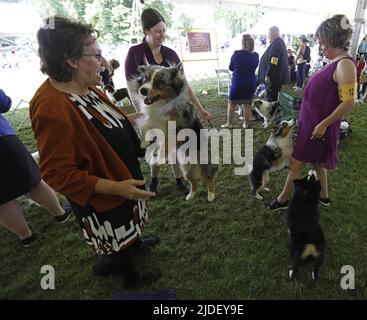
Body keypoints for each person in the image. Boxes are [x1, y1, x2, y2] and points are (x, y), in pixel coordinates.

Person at [30, 16, 160, 288]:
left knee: (128, 225)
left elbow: (105, 122)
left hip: (122, 179)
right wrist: (116, 188)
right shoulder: (51, 106)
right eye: (98, 55)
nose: (104, 62)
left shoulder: (87, 87)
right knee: (115, 231)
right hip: (106, 193)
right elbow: (57, 173)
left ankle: (133, 245)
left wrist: (142, 121)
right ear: (72, 60)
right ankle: (130, 278)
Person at [268, 14, 357, 210]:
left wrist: (323, 124)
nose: (321, 47)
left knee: (296, 164)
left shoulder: (344, 64)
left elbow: (349, 101)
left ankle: (282, 199)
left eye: (324, 43)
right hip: (314, 124)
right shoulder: (338, 62)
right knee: (318, 163)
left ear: (334, 39)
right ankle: (324, 196)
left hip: (318, 128)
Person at [125, 8, 212, 195]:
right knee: (158, 148)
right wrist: (144, 113)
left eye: (164, 30)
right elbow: (132, 88)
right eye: (157, 31)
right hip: (151, 112)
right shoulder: (135, 53)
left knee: (174, 147)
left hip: (172, 113)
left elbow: (184, 87)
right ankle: (154, 180)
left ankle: (179, 180)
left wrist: (201, 109)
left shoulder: (171, 55)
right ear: (146, 30)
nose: (162, 35)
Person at [0, 88, 72, 247]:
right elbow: (4, 103)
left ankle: (26, 237)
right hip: (2, 139)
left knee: (2, 199)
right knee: (32, 180)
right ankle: (59, 214)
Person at [221, 34, 259, 129]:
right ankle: (246, 124)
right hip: (250, 83)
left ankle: (229, 123)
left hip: (238, 83)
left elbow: (231, 67)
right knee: (247, 105)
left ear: (242, 43)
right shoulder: (256, 55)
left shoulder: (236, 54)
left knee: (232, 103)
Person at [257, 26, 289, 102]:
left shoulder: (277, 44)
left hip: (274, 78)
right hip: (275, 77)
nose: (268, 36)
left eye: (269, 33)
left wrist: (268, 75)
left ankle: (272, 112)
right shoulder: (278, 42)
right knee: (272, 97)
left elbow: (274, 60)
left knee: (272, 99)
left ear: (274, 33)